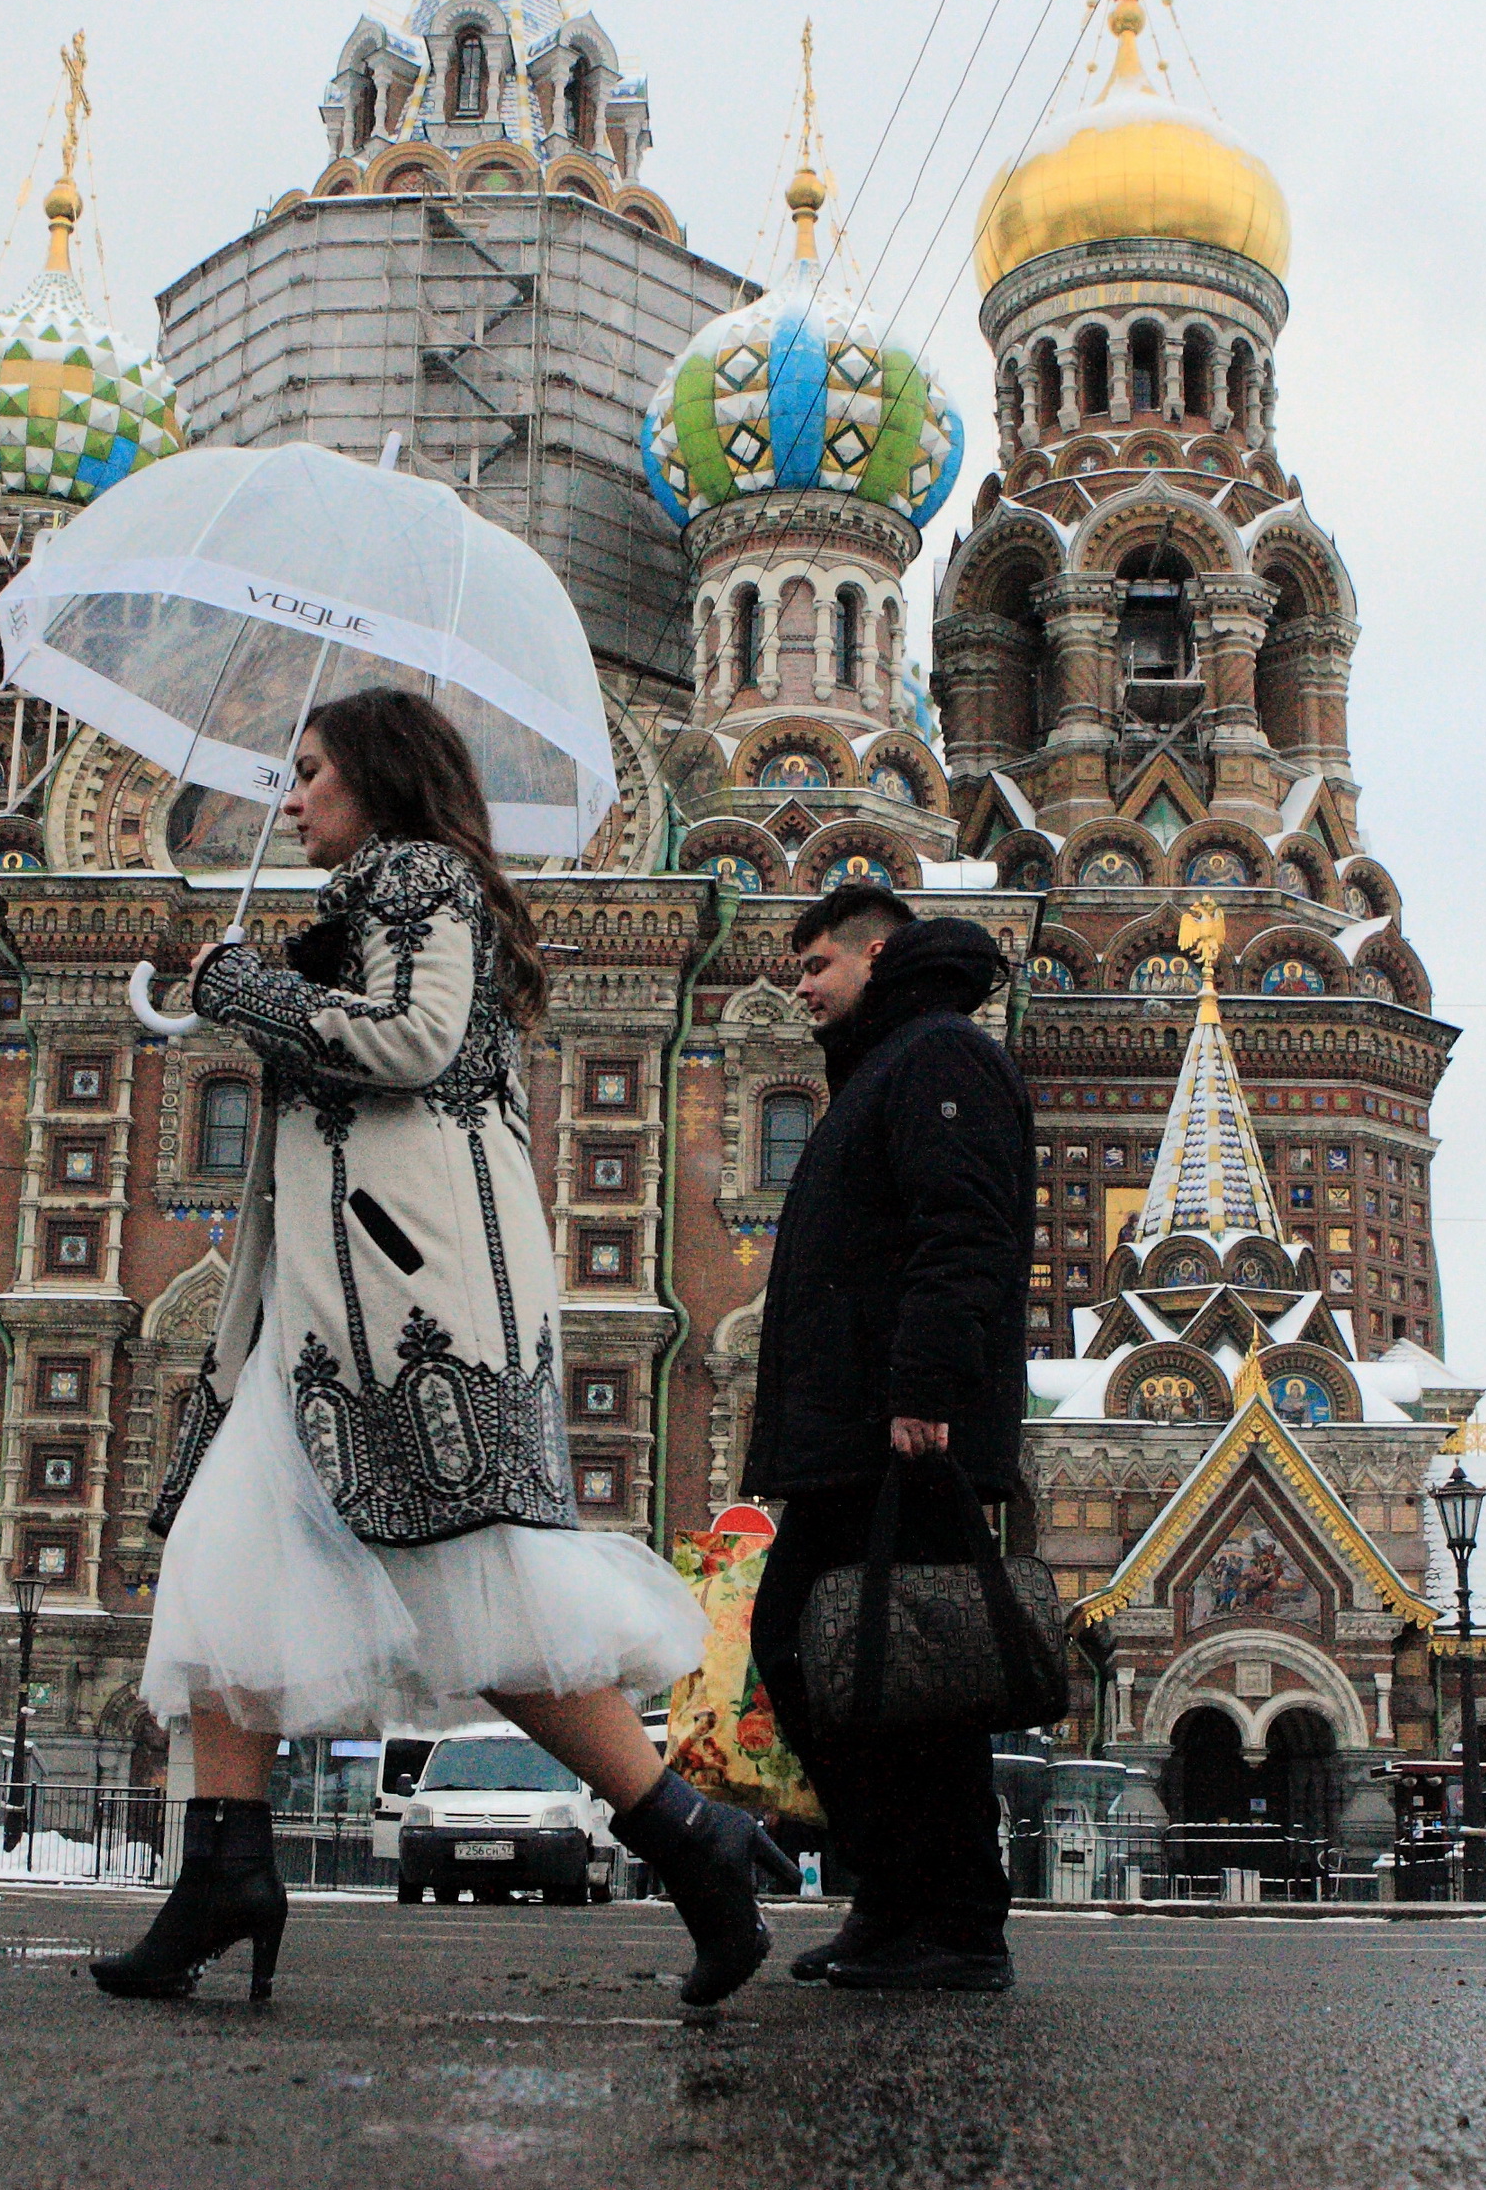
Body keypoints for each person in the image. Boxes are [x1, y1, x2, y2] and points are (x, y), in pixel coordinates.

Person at [98, 686, 789, 2007]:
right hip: (324, 1310)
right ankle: (225, 1868)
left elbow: (412, 1043)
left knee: (478, 1590)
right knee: (224, 1559)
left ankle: (692, 1839)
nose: (288, 798)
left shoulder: (422, 878)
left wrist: (251, 986)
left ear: (380, 776)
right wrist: (279, 978)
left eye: (307, 772)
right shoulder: (374, 903)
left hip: (405, 1305)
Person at [742, 885, 1035, 1992]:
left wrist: (923, 1386)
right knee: (873, 1671)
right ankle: (904, 1904)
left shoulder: (937, 1056)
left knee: (877, 1667)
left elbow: (962, 1227)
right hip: (860, 1430)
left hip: (899, 1432)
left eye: (815, 962)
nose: (801, 984)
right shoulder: (889, 1063)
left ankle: (949, 1917)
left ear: (877, 952)